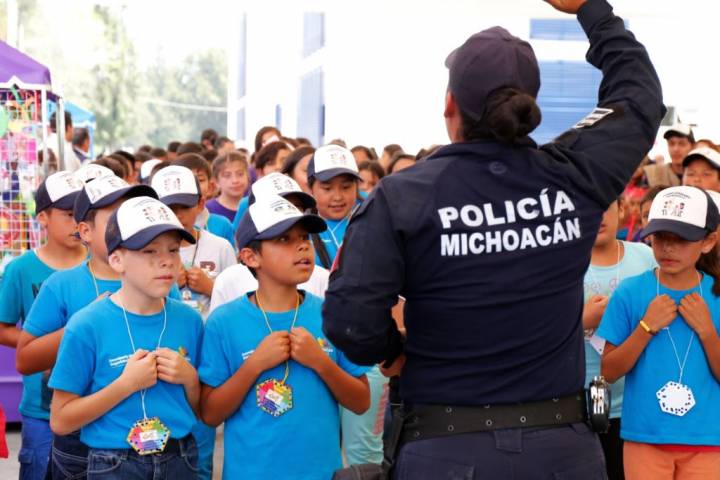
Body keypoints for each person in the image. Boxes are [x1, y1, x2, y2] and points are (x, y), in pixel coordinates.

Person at [322, 0, 665, 477]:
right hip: (562, 452)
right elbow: (639, 97)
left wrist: (394, 350)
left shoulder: (403, 197)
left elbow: (350, 324)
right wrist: (594, 11)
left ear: (449, 105)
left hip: (446, 449)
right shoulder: (574, 177)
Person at [198, 195, 370, 479]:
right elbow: (210, 413)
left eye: (303, 236)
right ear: (251, 257)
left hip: (321, 473)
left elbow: (361, 401)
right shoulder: (224, 322)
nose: (302, 245)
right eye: (283, 239)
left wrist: (321, 363)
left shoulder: (332, 314)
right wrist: (254, 365)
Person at [49, 196, 203, 479]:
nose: (166, 261)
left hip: (180, 456)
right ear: (117, 259)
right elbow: (60, 420)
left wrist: (190, 379)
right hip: (114, 461)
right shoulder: (87, 325)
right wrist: (126, 385)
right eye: (149, 251)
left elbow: (201, 410)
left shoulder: (190, 321)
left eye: (173, 250)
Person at [16, 174, 158, 479]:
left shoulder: (158, 281)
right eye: (116, 219)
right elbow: (25, 359)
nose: (128, 227)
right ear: (85, 231)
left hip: (143, 433)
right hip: (77, 435)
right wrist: (84, 324)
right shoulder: (62, 285)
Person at [599, 186, 720, 479]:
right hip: (643, 437)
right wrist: (645, 328)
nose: (667, 248)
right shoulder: (630, 291)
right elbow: (609, 371)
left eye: (681, 240)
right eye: (661, 237)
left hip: (707, 439)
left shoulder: (716, 295)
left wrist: (707, 331)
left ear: (708, 242)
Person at [0, 172, 86, 480]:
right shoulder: (21, 269)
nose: (77, 222)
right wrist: (39, 345)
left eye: (82, 213)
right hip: (42, 408)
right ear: (42, 218)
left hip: (96, 404)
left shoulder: (103, 263)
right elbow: (2, 326)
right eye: (67, 214)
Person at [582, 199, 656, 479]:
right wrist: (581, 321)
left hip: (637, 404)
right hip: (576, 407)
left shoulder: (645, 256)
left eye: (605, 206)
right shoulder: (562, 265)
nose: (598, 216)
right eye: (589, 207)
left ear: (621, 209)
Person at [213, 172, 329, 312]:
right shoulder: (229, 281)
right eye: (278, 205)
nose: (290, 212)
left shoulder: (322, 278)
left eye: (297, 206)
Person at [152, 165, 236, 320]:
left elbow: (239, 302)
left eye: (184, 207)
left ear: (200, 204)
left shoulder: (221, 247)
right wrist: (169, 286)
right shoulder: (146, 253)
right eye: (168, 207)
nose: (177, 215)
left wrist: (211, 288)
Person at [307, 144, 364, 268]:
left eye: (346, 187)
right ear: (311, 188)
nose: (338, 197)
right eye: (327, 188)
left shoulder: (371, 218)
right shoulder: (302, 228)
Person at [171, 153, 236, 248]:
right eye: (185, 181)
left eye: (200, 180)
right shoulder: (165, 226)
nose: (193, 185)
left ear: (210, 187)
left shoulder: (223, 225)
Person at [205, 152, 249, 223]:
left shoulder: (256, 205)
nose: (235, 180)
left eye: (240, 174)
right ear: (216, 181)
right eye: (227, 176)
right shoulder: (208, 210)